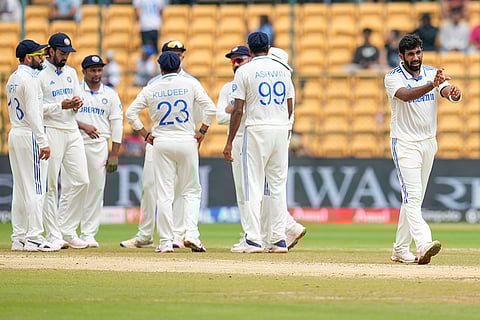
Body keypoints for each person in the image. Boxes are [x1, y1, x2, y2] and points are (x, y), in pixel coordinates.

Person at [217, 45, 306, 252]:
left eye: (240, 59)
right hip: (277, 131)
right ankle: (276, 238)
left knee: (253, 188)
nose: (236, 63)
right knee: (272, 188)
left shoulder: (246, 73)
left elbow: (236, 110)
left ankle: (254, 238)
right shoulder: (283, 71)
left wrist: (229, 139)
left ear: (250, 54)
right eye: (233, 60)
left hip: (253, 134)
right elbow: (289, 105)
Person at [126, 51, 216, 253]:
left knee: (164, 194)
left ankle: (166, 242)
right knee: (191, 190)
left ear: (160, 68)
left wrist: (144, 134)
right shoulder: (190, 83)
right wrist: (202, 131)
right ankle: (191, 235)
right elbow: (210, 109)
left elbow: (130, 113)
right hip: (186, 141)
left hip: (161, 142)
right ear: (178, 66)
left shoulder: (152, 87)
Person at [384, 33, 462, 265]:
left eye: (418, 52)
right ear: (401, 56)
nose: (416, 57)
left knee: (412, 199)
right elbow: (406, 96)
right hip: (405, 143)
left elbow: (445, 89)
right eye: (411, 54)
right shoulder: (392, 77)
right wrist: (432, 85)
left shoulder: (431, 73)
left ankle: (399, 249)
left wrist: (453, 94)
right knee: (413, 195)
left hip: (428, 142)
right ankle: (423, 243)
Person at [120, 39, 190, 250]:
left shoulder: (191, 81)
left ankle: (177, 235)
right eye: (171, 53)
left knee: (178, 189)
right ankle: (145, 234)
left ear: (183, 57)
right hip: (158, 140)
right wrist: (146, 134)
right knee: (150, 186)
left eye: (178, 53)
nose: (175, 56)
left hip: (181, 138)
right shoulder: (153, 84)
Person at [38, 33, 90, 249]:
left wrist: (77, 103)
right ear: (51, 51)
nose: (65, 57)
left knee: (81, 181)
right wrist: (60, 105)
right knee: (50, 184)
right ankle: (52, 234)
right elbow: (35, 110)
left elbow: (78, 101)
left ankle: (67, 229)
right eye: (62, 53)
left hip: (71, 131)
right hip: (51, 130)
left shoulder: (70, 72)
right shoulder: (39, 75)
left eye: (68, 53)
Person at [7, 40, 59, 252]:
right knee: (37, 188)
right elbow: (35, 115)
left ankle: (19, 237)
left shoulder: (13, 78)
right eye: (40, 55)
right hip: (30, 135)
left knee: (20, 189)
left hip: (15, 133)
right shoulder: (31, 80)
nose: (44, 58)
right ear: (29, 57)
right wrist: (43, 142)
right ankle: (35, 237)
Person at [72, 55, 123, 248]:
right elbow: (62, 116)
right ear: (83, 71)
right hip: (74, 142)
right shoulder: (75, 89)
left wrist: (115, 153)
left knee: (95, 190)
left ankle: (88, 233)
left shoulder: (110, 94)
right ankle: (67, 231)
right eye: (92, 70)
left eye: (99, 70)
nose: (96, 74)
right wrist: (83, 126)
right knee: (74, 187)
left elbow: (117, 124)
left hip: (99, 146)